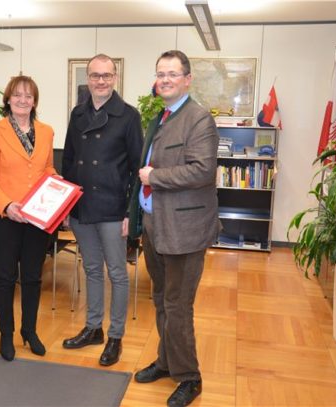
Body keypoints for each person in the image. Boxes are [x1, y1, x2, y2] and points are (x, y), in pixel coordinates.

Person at [128, 50, 219, 407]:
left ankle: (189, 377)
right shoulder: (160, 117)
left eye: (172, 74)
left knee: (179, 305)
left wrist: (155, 176)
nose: (164, 79)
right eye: (160, 73)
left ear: (187, 79)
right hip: (155, 225)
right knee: (161, 299)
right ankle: (167, 362)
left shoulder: (198, 119)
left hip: (185, 229)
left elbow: (202, 171)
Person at [61, 54, 143, 366]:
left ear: (115, 78)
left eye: (106, 75)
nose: (100, 81)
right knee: (91, 269)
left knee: (117, 274)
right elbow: (68, 161)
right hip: (81, 207)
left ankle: (116, 336)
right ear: (88, 78)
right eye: (95, 75)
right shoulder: (77, 113)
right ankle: (93, 328)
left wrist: (129, 214)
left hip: (112, 208)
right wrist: (67, 205)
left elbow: (138, 168)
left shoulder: (129, 116)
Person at [0, 75, 56, 361]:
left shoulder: (46, 131)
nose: (23, 100)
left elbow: (47, 169)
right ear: (8, 99)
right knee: (4, 277)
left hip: (37, 217)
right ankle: (5, 334)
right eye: (17, 95)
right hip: (5, 217)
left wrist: (61, 188)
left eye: (29, 96)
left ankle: (30, 330)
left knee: (34, 277)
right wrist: (7, 205)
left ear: (34, 101)